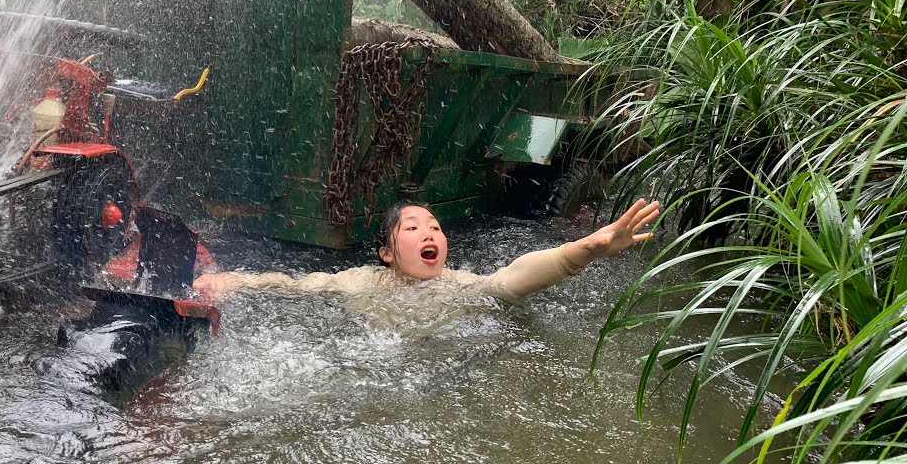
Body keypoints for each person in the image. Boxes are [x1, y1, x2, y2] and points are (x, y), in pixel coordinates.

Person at [192, 198, 661, 304]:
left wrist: (584, 250)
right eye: (412, 227)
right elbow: (293, 284)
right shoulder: (358, 282)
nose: (428, 233)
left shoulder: (460, 286)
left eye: (435, 227)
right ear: (387, 254)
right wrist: (234, 281)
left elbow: (511, 278)